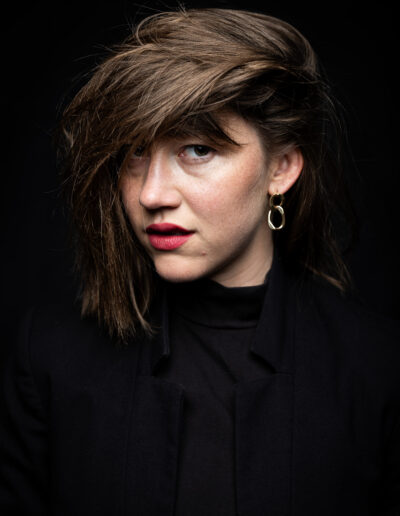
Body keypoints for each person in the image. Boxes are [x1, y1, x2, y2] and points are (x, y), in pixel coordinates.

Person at [1, 7, 399, 516]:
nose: (151, 194)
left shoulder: (379, 369)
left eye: (196, 149)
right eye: (134, 152)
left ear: (280, 168)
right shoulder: (51, 356)